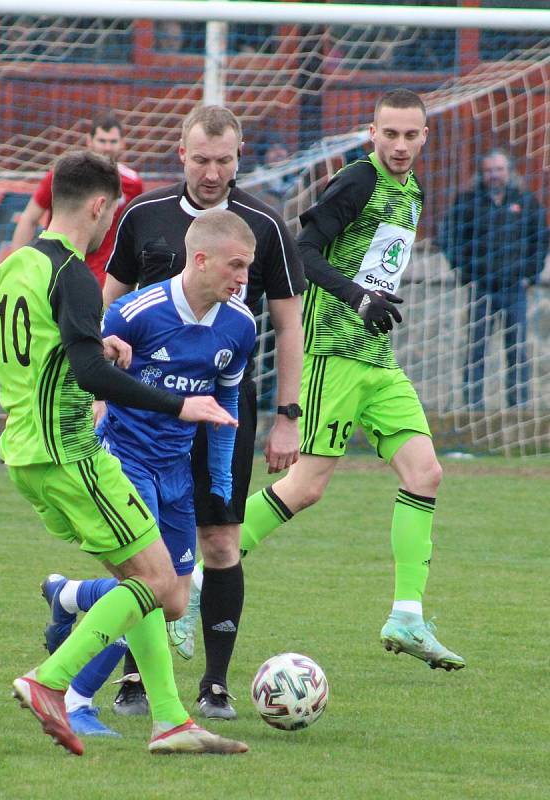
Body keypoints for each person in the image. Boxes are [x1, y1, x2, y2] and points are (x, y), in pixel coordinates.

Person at [184, 88, 466, 674]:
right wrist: (357, 296)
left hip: (375, 359)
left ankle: (407, 615)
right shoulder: (357, 181)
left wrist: (370, 302)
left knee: (427, 472)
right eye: (389, 134)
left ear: (425, 136)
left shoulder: (410, 190)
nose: (400, 145)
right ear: (371, 133)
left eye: (411, 134)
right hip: (332, 354)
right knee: (306, 487)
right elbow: (303, 252)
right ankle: (190, 584)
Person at [0, 149, 248, 756]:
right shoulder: (73, 273)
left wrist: (95, 344)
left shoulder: (15, 265)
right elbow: (89, 378)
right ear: (100, 207)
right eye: (113, 214)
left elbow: (29, 355)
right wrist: (179, 405)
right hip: (73, 454)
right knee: (165, 585)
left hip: (26, 453)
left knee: (145, 582)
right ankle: (49, 681)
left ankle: (170, 722)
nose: (111, 226)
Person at [103, 105, 305, 720]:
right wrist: (92, 394)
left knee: (220, 539)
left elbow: (287, 321)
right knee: (141, 547)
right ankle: (134, 676)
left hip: (221, 411)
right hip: (145, 414)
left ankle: (215, 685)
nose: (212, 172)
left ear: (239, 155)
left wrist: (287, 413)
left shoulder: (263, 225)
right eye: (201, 159)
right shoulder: (143, 215)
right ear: (181, 153)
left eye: (224, 160)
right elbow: (107, 306)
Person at [39, 209, 257, 737]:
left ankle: (69, 594)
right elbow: (88, 379)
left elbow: (226, 400)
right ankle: (75, 697)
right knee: (145, 588)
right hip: (124, 462)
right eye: (235, 266)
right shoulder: (135, 312)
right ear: (200, 260)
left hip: (176, 472)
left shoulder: (240, 326)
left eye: (248, 268)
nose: (243, 278)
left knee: (174, 598)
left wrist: (222, 481)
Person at [439, 147, 548, 409]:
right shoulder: (468, 202)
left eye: (499, 169)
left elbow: (541, 240)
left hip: (514, 288)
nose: (494, 175)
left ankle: (517, 408)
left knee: (517, 350)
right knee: (476, 350)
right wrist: (466, 274)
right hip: (482, 287)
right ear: (482, 173)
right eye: (489, 170)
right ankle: (473, 409)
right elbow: (450, 239)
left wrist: (530, 275)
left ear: (509, 172)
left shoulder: (525, 200)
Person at [11, 112, 143, 287]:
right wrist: (18, 269)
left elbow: (135, 232)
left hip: (103, 278)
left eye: (113, 142)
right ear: (89, 141)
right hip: (57, 270)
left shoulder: (132, 183)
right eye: (102, 141)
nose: (107, 147)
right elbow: (29, 218)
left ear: (122, 144)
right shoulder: (63, 174)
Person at [251, 138, 299, 216]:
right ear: (263, 156)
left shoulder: (297, 183)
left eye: (282, 148)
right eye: (272, 149)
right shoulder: (253, 185)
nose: (279, 153)